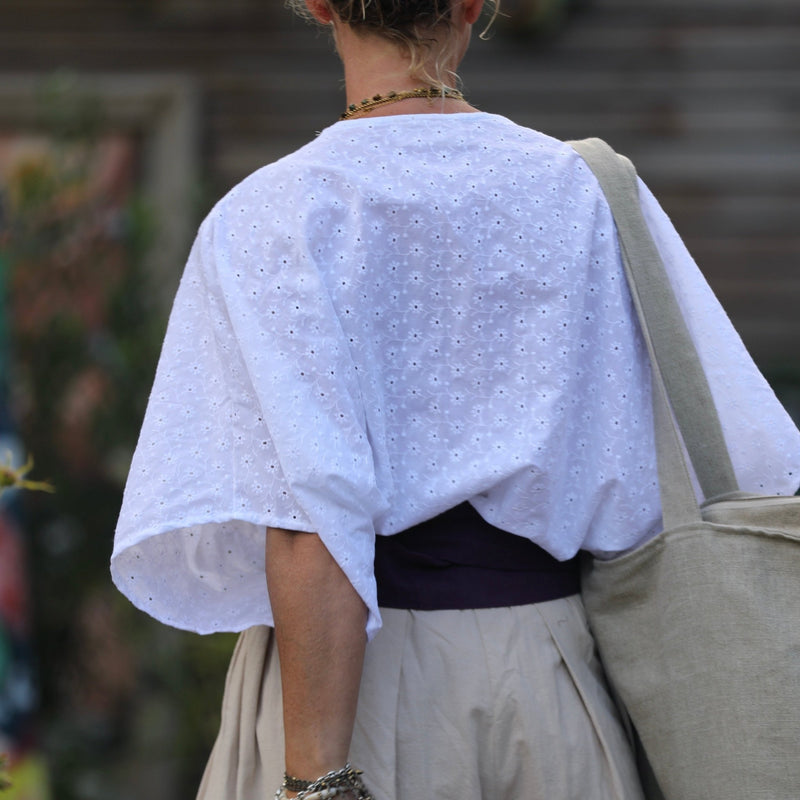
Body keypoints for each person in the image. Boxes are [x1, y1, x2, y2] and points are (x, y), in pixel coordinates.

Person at [111, 1, 800, 799]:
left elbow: (311, 529)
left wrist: (316, 781)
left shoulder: (274, 216)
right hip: (558, 684)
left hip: (353, 694)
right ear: (474, 4)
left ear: (318, 4)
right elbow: (745, 466)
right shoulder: (587, 193)